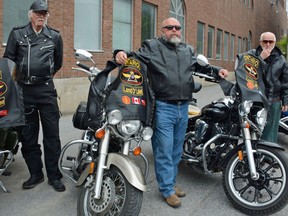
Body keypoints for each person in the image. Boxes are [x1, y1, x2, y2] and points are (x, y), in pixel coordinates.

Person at [114, 17, 228, 208]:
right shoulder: (152, 47)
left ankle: (171, 184)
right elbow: (132, 56)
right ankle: (167, 190)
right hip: (163, 107)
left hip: (184, 108)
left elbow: (200, 66)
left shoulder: (187, 50)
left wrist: (218, 70)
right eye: (170, 28)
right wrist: (119, 52)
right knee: (164, 150)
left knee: (176, 150)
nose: (174, 30)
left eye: (177, 28)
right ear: (163, 30)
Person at [3, 0, 65, 192]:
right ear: (30, 14)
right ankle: (36, 174)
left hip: (45, 90)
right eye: (38, 13)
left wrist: (43, 75)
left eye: (44, 13)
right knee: (29, 136)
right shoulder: (17, 34)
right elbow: (8, 61)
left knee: (52, 136)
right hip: (24, 91)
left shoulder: (54, 36)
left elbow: (58, 62)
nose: (41, 16)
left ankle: (54, 176)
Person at [248, 32, 288, 142]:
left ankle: (269, 157)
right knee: (253, 130)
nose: (268, 44)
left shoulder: (281, 60)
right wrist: (260, 58)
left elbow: (285, 82)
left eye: (271, 42)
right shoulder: (252, 55)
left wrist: (285, 101)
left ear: (274, 43)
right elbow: (247, 73)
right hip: (255, 100)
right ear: (260, 42)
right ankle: (253, 155)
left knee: (271, 130)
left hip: (274, 99)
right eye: (265, 41)